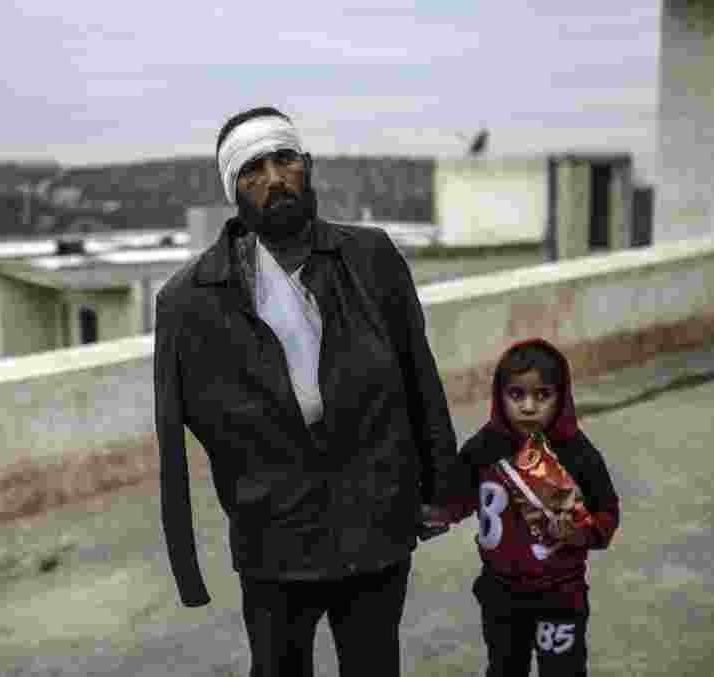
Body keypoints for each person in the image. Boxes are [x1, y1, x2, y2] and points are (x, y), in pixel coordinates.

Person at [154, 106, 459, 677]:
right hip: (275, 542)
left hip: (374, 526)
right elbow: (176, 433)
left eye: (284, 160)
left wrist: (441, 486)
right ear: (234, 191)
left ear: (307, 166)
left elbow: (419, 374)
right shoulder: (190, 300)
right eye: (252, 170)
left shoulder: (370, 258)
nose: (273, 178)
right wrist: (191, 559)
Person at [425, 338, 620, 676]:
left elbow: (607, 513)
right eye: (517, 395)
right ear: (499, 396)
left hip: (559, 597)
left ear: (562, 397)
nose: (529, 407)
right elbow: (459, 495)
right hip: (500, 594)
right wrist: (438, 512)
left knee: (562, 671)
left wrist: (581, 532)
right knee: (504, 667)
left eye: (542, 395)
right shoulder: (484, 447)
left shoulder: (576, 453)